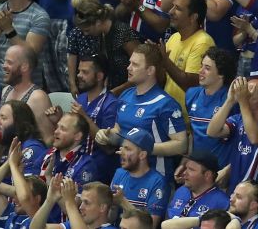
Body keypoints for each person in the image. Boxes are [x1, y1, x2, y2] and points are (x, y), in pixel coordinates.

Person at [94, 45, 188, 176]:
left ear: (150, 70)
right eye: (129, 63)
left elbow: (181, 144)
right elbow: (118, 131)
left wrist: (143, 149)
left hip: (155, 179)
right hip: (125, 174)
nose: (128, 68)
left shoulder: (165, 104)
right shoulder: (125, 96)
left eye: (135, 64)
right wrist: (106, 135)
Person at [111, 127, 169, 223]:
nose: (122, 152)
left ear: (142, 155)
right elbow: (110, 219)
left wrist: (123, 202)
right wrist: (112, 206)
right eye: (122, 147)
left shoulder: (157, 182)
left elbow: (151, 225)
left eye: (128, 149)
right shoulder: (119, 173)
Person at [166, 151, 230, 219]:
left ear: (207, 175)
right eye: (186, 168)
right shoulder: (181, 191)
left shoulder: (221, 203)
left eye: (191, 169)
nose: (184, 173)